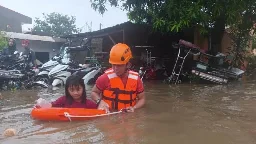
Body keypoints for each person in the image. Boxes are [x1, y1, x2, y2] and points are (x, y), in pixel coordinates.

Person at [91, 43, 146, 113]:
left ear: (128, 64)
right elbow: (93, 92)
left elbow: (142, 99)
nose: (115, 68)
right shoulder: (105, 78)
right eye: (113, 65)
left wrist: (134, 108)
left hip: (129, 117)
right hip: (109, 116)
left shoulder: (136, 79)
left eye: (119, 65)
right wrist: (99, 101)